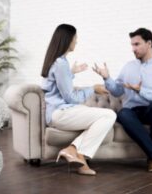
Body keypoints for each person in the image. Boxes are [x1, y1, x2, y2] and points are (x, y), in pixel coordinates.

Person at [93, 27, 152, 174]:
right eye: (132, 45)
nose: (133, 48)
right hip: (133, 113)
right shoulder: (128, 67)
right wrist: (107, 78)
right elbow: (118, 90)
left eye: (137, 44)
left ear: (149, 43)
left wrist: (141, 91)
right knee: (123, 113)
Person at [41, 24, 116, 176]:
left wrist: (71, 73)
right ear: (67, 40)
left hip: (61, 111)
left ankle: (73, 150)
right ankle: (79, 154)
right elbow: (71, 97)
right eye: (75, 38)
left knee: (99, 117)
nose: (77, 41)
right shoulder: (60, 64)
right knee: (109, 115)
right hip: (60, 113)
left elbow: (58, 86)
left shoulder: (58, 62)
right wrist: (93, 88)